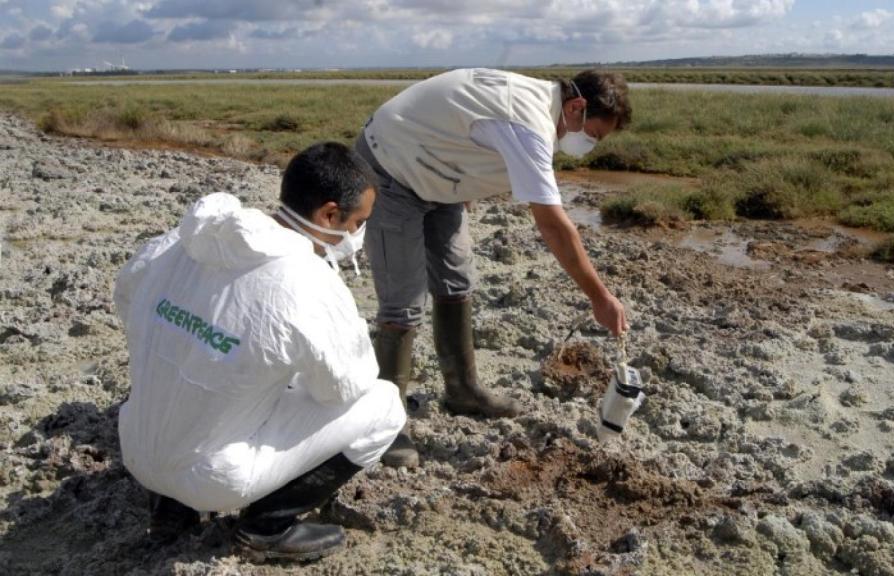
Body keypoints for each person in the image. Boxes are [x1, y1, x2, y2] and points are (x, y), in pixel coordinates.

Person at [114, 142, 405, 561]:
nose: (358, 236)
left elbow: (128, 299)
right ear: (329, 214)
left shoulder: (181, 243)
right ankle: (266, 527)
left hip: (137, 450)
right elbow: (343, 388)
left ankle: (168, 510)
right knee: (384, 405)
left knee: (183, 362)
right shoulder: (304, 280)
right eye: (358, 222)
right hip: (213, 477)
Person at [354, 68, 632, 469]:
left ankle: (463, 389)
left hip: (436, 169)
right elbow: (554, 225)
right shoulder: (529, 124)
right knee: (404, 302)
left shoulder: (539, 105)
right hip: (390, 167)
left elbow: (469, 130)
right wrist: (599, 297)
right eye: (595, 135)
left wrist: (464, 184)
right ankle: (383, 425)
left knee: (457, 278)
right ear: (576, 107)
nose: (591, 145)